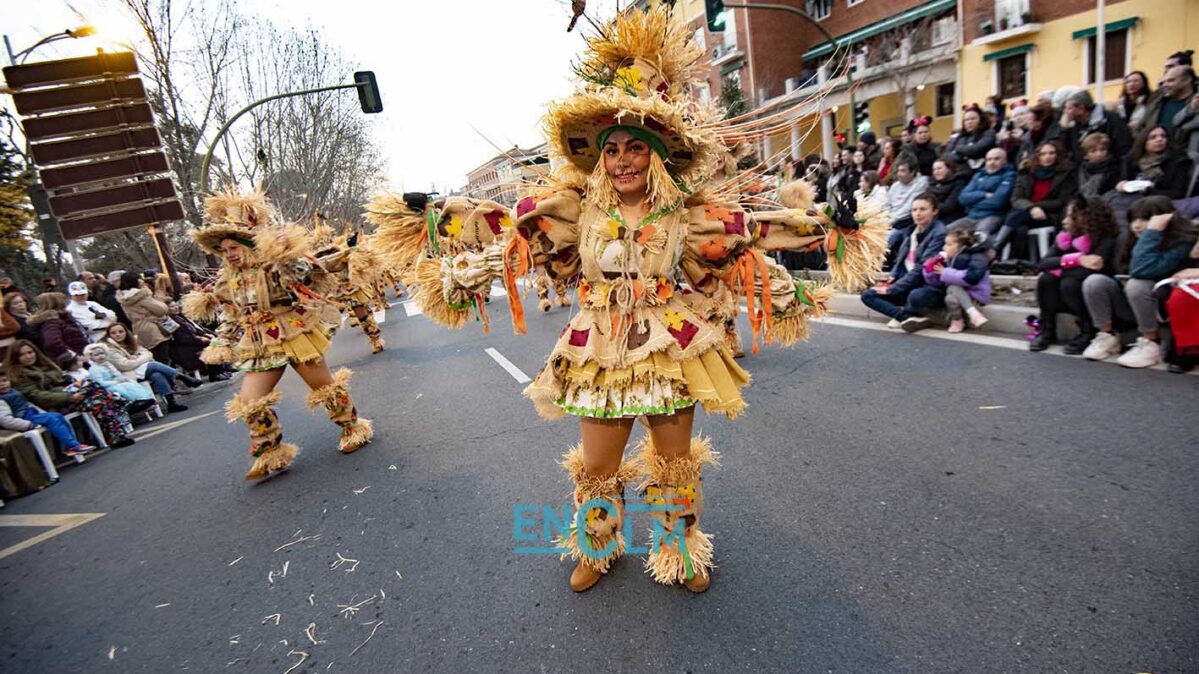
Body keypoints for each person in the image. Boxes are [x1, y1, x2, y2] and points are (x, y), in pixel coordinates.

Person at [366, 6, 886, 593]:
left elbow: (753, 227)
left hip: (670, 343)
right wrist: (432, 216)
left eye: (634, 149)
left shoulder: (685, 215)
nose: (622, 161)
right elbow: (501, 220)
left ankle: (677, 550)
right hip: (597, 346)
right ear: (600, 158)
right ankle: (597, 544)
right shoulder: (575, 208)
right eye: (611, 150)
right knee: (596, 466)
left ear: (655, 155)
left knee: (673, 462)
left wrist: (828, 226)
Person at [182, 188, 374, 480]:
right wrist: (223, 340)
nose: (229, 254)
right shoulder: (227, 281)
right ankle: (270, 451)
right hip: (258, 344)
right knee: (250, 402)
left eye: (234, 247)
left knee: (324, 388)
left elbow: (308, 272)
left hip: (293, 331)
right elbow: (233, 315)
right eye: (224, 249)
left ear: (248, 245)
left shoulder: (276, 265)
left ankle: (353, 427)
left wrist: (285, 254)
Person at [1081, 196, 1199, 367]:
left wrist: (1152, 232)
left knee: (1138, 284)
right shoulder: (1127, 239)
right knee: (1094, 281)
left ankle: (1151, 342)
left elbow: (1141, 270)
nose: (1137, 225)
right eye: (1134, 219)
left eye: (1145, 219)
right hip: (1133, 305)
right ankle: (1106, 336)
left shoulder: (1182, 242)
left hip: (1162, 305)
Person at [1029, 196, 1120, 354]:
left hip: (1096, 295)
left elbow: (1093, 268)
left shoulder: (1106, 239)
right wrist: (1078, 259)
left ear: (1087, 218)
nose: (1065, 221)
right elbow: (1042, 264)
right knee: (1047, 279)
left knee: (1069, 282)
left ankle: (1088, 331)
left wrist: (1061, 266)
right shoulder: (1066, 238)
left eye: (1071, 217)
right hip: (1068, 294)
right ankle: (1047, 330)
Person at [2, 340, 134, 447]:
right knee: (97, 396)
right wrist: (69, 397)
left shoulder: (45, 365)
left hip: (66, 394)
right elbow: (37, 396)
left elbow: (62, 382)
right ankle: (121, 407)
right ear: (16, 357)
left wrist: (72, 390)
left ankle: (116, 433)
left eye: (30, 352)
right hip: (50, 404)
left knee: (96, 395)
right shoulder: (17, 375)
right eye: (23, 354)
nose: (28, 356)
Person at [860, 192, 948, 332]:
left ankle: (901, 316)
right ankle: (906, 317)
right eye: (914, 210)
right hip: (906, 283)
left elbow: (921, 269)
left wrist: (893, 289)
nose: (917, 214)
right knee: (868, 295)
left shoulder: (939, 233)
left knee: (915, 296)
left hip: (927, 286)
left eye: (923, 209)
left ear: (935, 211)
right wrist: (892, 278)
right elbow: (901, 260)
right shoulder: (910, 232)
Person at [992, 140, 1076, 260]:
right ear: (1037, 156)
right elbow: (1016, 198)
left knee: (1016, 217)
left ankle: (996, 249)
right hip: (1025, 213)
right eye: (1043, 154)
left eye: (1052, 153)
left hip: (1048, 215)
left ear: (1058, 155)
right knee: (1020, 229)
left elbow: (1061, 201)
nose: (1048, 157)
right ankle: (1017, 263)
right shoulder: (1026, 172)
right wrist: (1032, 208)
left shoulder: (1065, 174)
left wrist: (1036, 207)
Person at [100, 323, 195, 413]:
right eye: (113, 333)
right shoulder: (109, 349)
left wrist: (137, 359)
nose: (118, 334)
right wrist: (140, 359)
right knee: (152, 365)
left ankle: (171, 403)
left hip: (140, 370)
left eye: (121, 332)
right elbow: (125, 365)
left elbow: (148, 354)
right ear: (108, 335)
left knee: (157, 375)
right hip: (127, 374)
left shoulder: (132, 342)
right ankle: (181, 377)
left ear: (126, 332)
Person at [0, 372, 96, 457]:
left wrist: (43, 413)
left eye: (4, 380)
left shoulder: (14, 392)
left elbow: (28, 404)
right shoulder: (1, 399)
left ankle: (70, 446)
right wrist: (28, 425)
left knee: (57, 416)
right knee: (52, 419)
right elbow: (5, 419)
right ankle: (73, 445)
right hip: (24, 420)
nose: (2, 384)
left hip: (32, 413)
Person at [922, 228, 992, 333]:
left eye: (949, 245)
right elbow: (937, 283)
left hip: (976, 295)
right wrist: (930, 270)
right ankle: (960, 319)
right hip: (958, 294)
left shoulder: (978, 256)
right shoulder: (949, 259)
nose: (944, 247)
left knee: (953, 287)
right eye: (945, 244)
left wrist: (945, 272)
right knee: (950, 297)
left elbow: (971, 278)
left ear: (960, 247)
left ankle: (969, 314)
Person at [950, 148, 1017, 245]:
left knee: (980, 235)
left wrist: (972, 202)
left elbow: (998, 201)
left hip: (993, 216)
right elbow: (962, 198)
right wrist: (983, 194)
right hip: (971, 217)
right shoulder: (978, 175)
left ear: (1004, 161)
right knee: (946, 231)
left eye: (996, 159)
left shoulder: (1010, 175)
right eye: (989, 159)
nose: (992, 162)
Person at [116, 270, 175, 366]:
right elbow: (161, 310)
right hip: (153, 329)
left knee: (154, 359)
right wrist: (159, 301)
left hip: (139, 329)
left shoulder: (123, 298)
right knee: (163, 359)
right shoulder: (141, 296)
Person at [164, 300, 230, 382]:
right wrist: (200, 340)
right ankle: (215, 374)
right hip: (185, 348)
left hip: (193, 342)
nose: (176, 307)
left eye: (176, 305)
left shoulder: (181, 317)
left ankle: (223, 368)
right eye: (172, 306)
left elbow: (195, 330)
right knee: (212, 345)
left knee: (217, 341)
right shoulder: (170, 321)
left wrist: (204, 335)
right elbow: (182, 338)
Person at [1062, 89, 1132, 166]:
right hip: (1085, 172)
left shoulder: (1111, 120)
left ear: (1081, 109)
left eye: (1069, 108)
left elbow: (1123, 149)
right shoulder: (1072, 127)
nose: (1065, 112)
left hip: (1110, 170)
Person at [82, 343, 155, 408]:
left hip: (118, 382)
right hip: (107, 387)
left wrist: (121, 378)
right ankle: (134, 403)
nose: (100, 356)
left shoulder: (108, 364)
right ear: (91, 357)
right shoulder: (94, 369)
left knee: (130, 383)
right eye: (96, 355)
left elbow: (117, 374)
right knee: (122, 387)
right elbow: (100, 383)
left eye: (102, 353)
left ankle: (144, 400)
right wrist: (116, 382)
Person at [884, 156, 930, 256]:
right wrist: (885, 217)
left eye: (903, 171)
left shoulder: (921, 183)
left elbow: (910, 207)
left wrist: (892, 220)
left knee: (890, 236)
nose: (899, 174)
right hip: (890, 218)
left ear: (912, 172)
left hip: (906, 221)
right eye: (898, 171)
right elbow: (887, 203)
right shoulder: (895, 185)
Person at [27, 292, 90, 361]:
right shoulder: (51, 322)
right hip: (73, 362)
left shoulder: (63, 318)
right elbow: (52, 343)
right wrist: (74, 356)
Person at [1144, 65, 1196, 139]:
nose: (1165, 85)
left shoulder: (1195, 104)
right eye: (1164, 82)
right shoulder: (1156, 103)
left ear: (1187, 80)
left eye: (1170, 80)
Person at [944, 105, 996, 171]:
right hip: (962, 171)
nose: (969, 122)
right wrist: (965, 155)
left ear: (981, 119)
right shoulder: (959, 137)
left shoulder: (989, 133)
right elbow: (946, 156)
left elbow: (976, 150)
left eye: (973, 119)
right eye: (966, 120)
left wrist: (958, 149)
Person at [1075, 133, 1123, 198]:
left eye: (1102, 149)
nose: (1099, 154)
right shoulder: (1081, 170)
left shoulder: (1115, 168)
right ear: (1086, 155)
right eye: (1093, 151)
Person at [929, 157, 969, 223]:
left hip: (951, 217)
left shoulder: (959, 182)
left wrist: (930, 207)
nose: (936, 171)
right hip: (933, 215)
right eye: (934, 169)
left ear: (949, 169)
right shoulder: (932, 183)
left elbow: (949, 206)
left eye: (939, 168)